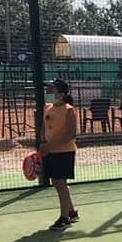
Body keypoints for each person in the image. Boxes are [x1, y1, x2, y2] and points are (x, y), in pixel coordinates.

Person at [39, 78, 81, 231]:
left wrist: (49, 146)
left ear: (61, 94)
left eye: (52, 89)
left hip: (64, 152)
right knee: (58, 183)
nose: (48, 91)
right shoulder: (47, 107)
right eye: (48, 89)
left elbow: (70, 134)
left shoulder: (69, 110)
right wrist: (43, 143)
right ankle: (71, 212)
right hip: (51, 151)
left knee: (60, 184)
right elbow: (44, 127)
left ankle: (64, 219)